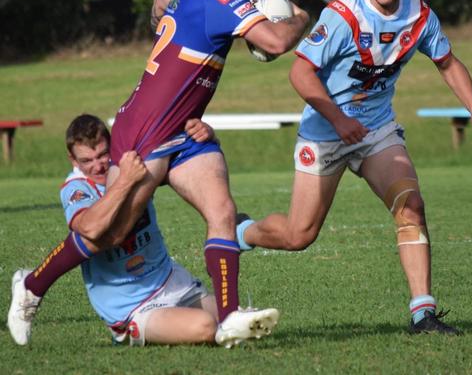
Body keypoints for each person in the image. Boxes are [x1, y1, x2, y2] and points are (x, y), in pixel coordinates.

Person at [6, 0, 309, 342]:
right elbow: (277, 43)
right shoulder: (220, 0)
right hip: (145, 129)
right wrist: (300, 16)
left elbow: (158, 5)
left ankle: (228, 317)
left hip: (182, 132)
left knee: (221, 210)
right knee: (109, 233)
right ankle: (31, 287)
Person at [236, 0, 472, 335]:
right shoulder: (343, 15)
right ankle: (241, 231)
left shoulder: (420, 16)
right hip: (325, 133)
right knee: (298, 235)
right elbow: (299, 73)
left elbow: (448, 62)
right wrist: (339, 120)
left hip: (376, 131)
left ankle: (422, 314)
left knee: (411, 206)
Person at [7, 114, 279, 347]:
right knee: (206, 328)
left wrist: (206, 136)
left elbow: (188, 164)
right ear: (72, 160)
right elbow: (89, 228)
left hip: (172, 282)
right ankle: (31, 285)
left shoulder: (129, 161)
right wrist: (125, 181)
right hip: (134, 306)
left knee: (235, 316)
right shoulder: (77, 188)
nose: (99, 165)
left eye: (103, 154)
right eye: (87, 160)